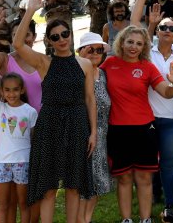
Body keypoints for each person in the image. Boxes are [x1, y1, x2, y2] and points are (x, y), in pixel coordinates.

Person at [14, 0, 96, 223]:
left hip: (78, 122)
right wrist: (30, 11)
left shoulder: (85, 64)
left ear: (71, 35)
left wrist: (94, 132)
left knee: (73, 185)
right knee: (48, 187)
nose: (61, 39)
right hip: (49, 123)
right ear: (49, 41)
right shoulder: (43, 62)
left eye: (64, 34)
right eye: (55, 36)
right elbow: (18, 43)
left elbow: (89, 99)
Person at [101, 25, 173, 223]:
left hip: (145, 129)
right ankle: (126, 219)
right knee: (124, 178)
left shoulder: (147, 66)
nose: (133, 47)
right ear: (121, 42)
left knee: (144, 178)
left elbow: (166, 93)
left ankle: (146, 219)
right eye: (130, 42)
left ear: (144, 46)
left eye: (139, 43)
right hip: (118, 130)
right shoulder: (109, 63)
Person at [0, 53, 37, 223]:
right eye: (7, 90)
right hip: (2, 163)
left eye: (15, 90)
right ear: (2, 92)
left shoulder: (30, 111)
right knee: (3, 205)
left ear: (22, 90)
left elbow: (34, 138)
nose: (11, 94)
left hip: (23, 162)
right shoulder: (0, 107)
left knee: (23, 203)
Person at [147, 13, 173, 222]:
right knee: (148, 162)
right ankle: (151, 198)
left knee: (170, 164)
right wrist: (152, 22)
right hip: (148, 118)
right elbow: (136, 39)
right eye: (164, 27)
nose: (168, 31)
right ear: (157, 31)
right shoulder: (147, 52)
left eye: (172, 29)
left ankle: (169, 205)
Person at [75, 33, 112, 223]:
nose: (95, 53)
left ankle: (86, 220)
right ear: (80, 52)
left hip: (100, 136)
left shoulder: (103, 74)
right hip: (82, 136)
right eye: (90, 49)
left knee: (96, 182)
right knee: (83, 185)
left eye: (99, 50)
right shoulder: (75, 72)